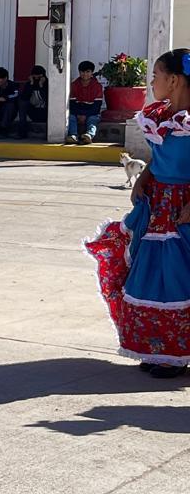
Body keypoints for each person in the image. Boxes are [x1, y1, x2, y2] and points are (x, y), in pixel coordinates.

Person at [86, 49, 190, 379]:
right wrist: (143, 178)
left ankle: (178, 352)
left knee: (179, 278)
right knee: (156, 278)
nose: (152, 82)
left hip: (183, 207)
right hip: (158, 206)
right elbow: (159, 160)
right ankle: (163, 350)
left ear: (173, 80)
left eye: (156, 76)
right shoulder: (160, 116)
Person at [67, 60, 104, 145]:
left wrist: (85, 115)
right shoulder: (74, 85)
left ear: (92, 73)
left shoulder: (97, 87)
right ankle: (73, 135)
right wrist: (79, 115)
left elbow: (97, 107)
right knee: (71, 117)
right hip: (77, 112)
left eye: (88, 72)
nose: (85, 74)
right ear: (79, 72)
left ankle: (89, 135)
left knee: (93, 119)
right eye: (82, 72)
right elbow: (72, 105)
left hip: (91, 112)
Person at [14, 65, 49, 140]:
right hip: (33, 112)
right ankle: (22, 132)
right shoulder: (29, 84)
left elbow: (47, 99)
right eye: (34, 76)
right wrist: (31, 84)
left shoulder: (47, 84)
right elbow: (24, 97)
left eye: (38, 76)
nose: (36, 78)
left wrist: (41, 86)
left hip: (45, 113)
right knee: (22, 102)